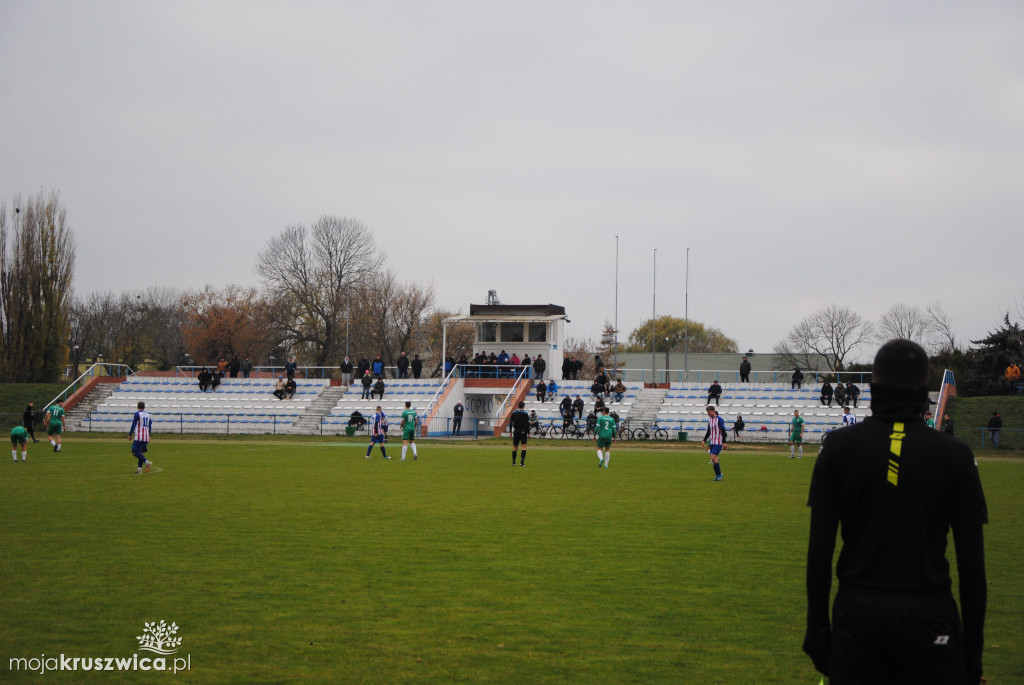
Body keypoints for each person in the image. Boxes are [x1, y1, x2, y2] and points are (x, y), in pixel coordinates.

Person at [803, 339, 987, 685]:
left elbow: (819, 551)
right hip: (931, 618)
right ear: (924, 391)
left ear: (873, 387)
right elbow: (973, 565)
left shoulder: (838, 449)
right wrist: (971, 653)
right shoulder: (956, 456)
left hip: (857, 617)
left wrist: (817, 631)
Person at [700, 405, 727, 481]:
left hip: (718, 442)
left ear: (713, 411)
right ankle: (719, 475)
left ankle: (719, 475)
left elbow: (723, 431)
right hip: (712, 441)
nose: (708, 414)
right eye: (707, 412)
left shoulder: (719, 419)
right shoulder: (709, 420)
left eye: (709, 412)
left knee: (713, 457)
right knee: (714, 458)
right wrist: (704, 440)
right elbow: (709, 431)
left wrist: (724, 442)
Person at [128, 401, 154, 474]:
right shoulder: (148, 415)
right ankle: (139, 469)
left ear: (137, 407)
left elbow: (133, 425)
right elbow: (150, 426)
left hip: (139, 436)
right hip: (146, 436)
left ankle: (147, 462)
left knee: (134, 452)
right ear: (144, 407)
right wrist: (149, 436)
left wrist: (130, 434)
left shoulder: (137, 414)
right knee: (140, 453)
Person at [509, 400, 530, 466]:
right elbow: (527, 424)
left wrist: (510, 431)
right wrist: (528, 433)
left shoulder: (513, 413)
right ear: (523, 406)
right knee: (523, 447)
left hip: (516, 431)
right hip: (523, 431)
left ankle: (514, 462)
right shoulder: (525, 413)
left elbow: (510, 422)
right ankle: (521, 462)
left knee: (515, 447)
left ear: (518, 406)